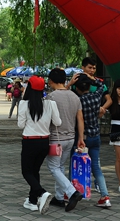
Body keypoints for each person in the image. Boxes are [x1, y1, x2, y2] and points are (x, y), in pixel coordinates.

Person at [18, 75, 61, 214]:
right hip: (44, 142)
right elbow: (58, 122)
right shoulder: (50, 104)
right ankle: (32, 201)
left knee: (26, 171)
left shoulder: (24, 104)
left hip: (29, 141)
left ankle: (42, 193)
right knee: (35, 170)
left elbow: (20, 125)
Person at [69, 73, 112, 208]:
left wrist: (70, 83)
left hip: (83, 137)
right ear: (89, 86)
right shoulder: (96, 96)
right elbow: (101, 86)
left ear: (77, 88)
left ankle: (70, 193)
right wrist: (93, 79)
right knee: (96, 167)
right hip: (96, 136)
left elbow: (80, 119)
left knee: (74, 165)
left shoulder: (78, 100)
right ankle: (105, 196)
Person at [45, 68, 85, 212]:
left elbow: (46, 119)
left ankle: (72, 192)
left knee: (53, 167)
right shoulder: (75, 97)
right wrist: (81, 138)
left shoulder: (50, 97)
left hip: (56, 139)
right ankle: (59, 197)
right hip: (71, 138)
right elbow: (80, 119)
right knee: (60, 167)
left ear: (51, 81)